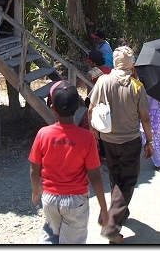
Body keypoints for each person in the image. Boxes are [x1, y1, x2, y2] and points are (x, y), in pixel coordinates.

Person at [29, 80, 109, 244]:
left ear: (52, 109)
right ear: (78, 107)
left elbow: (34, 167)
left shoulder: (43, 134)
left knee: (51, 237)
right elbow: (94, 176)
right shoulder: (87, 137)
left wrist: (36, 189)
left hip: (50, 198)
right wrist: (103, 207)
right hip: (75, 201)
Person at [88, 46, 153, 244]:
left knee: (116, 177)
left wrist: (94, 135)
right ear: (131, 63)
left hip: (108, 140)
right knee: (128, 182)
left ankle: (119, 214)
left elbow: (91, 109)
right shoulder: (136, 86)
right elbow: (145, 118)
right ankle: (112, 224)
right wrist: (149, 141)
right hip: (130, 141)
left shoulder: (102, 80)